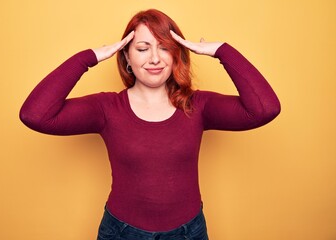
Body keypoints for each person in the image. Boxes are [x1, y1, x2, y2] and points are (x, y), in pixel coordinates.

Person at [20, 8, 280, 240]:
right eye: (143, 49)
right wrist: (88, 58)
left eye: (164, 47)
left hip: (189, 232)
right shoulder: (106, 108)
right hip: (121, 232)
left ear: (176, 55)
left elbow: (265, 109)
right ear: (127, 58)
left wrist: (222, 51)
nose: (154, 58)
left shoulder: (197, 106)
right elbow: (35, 115)